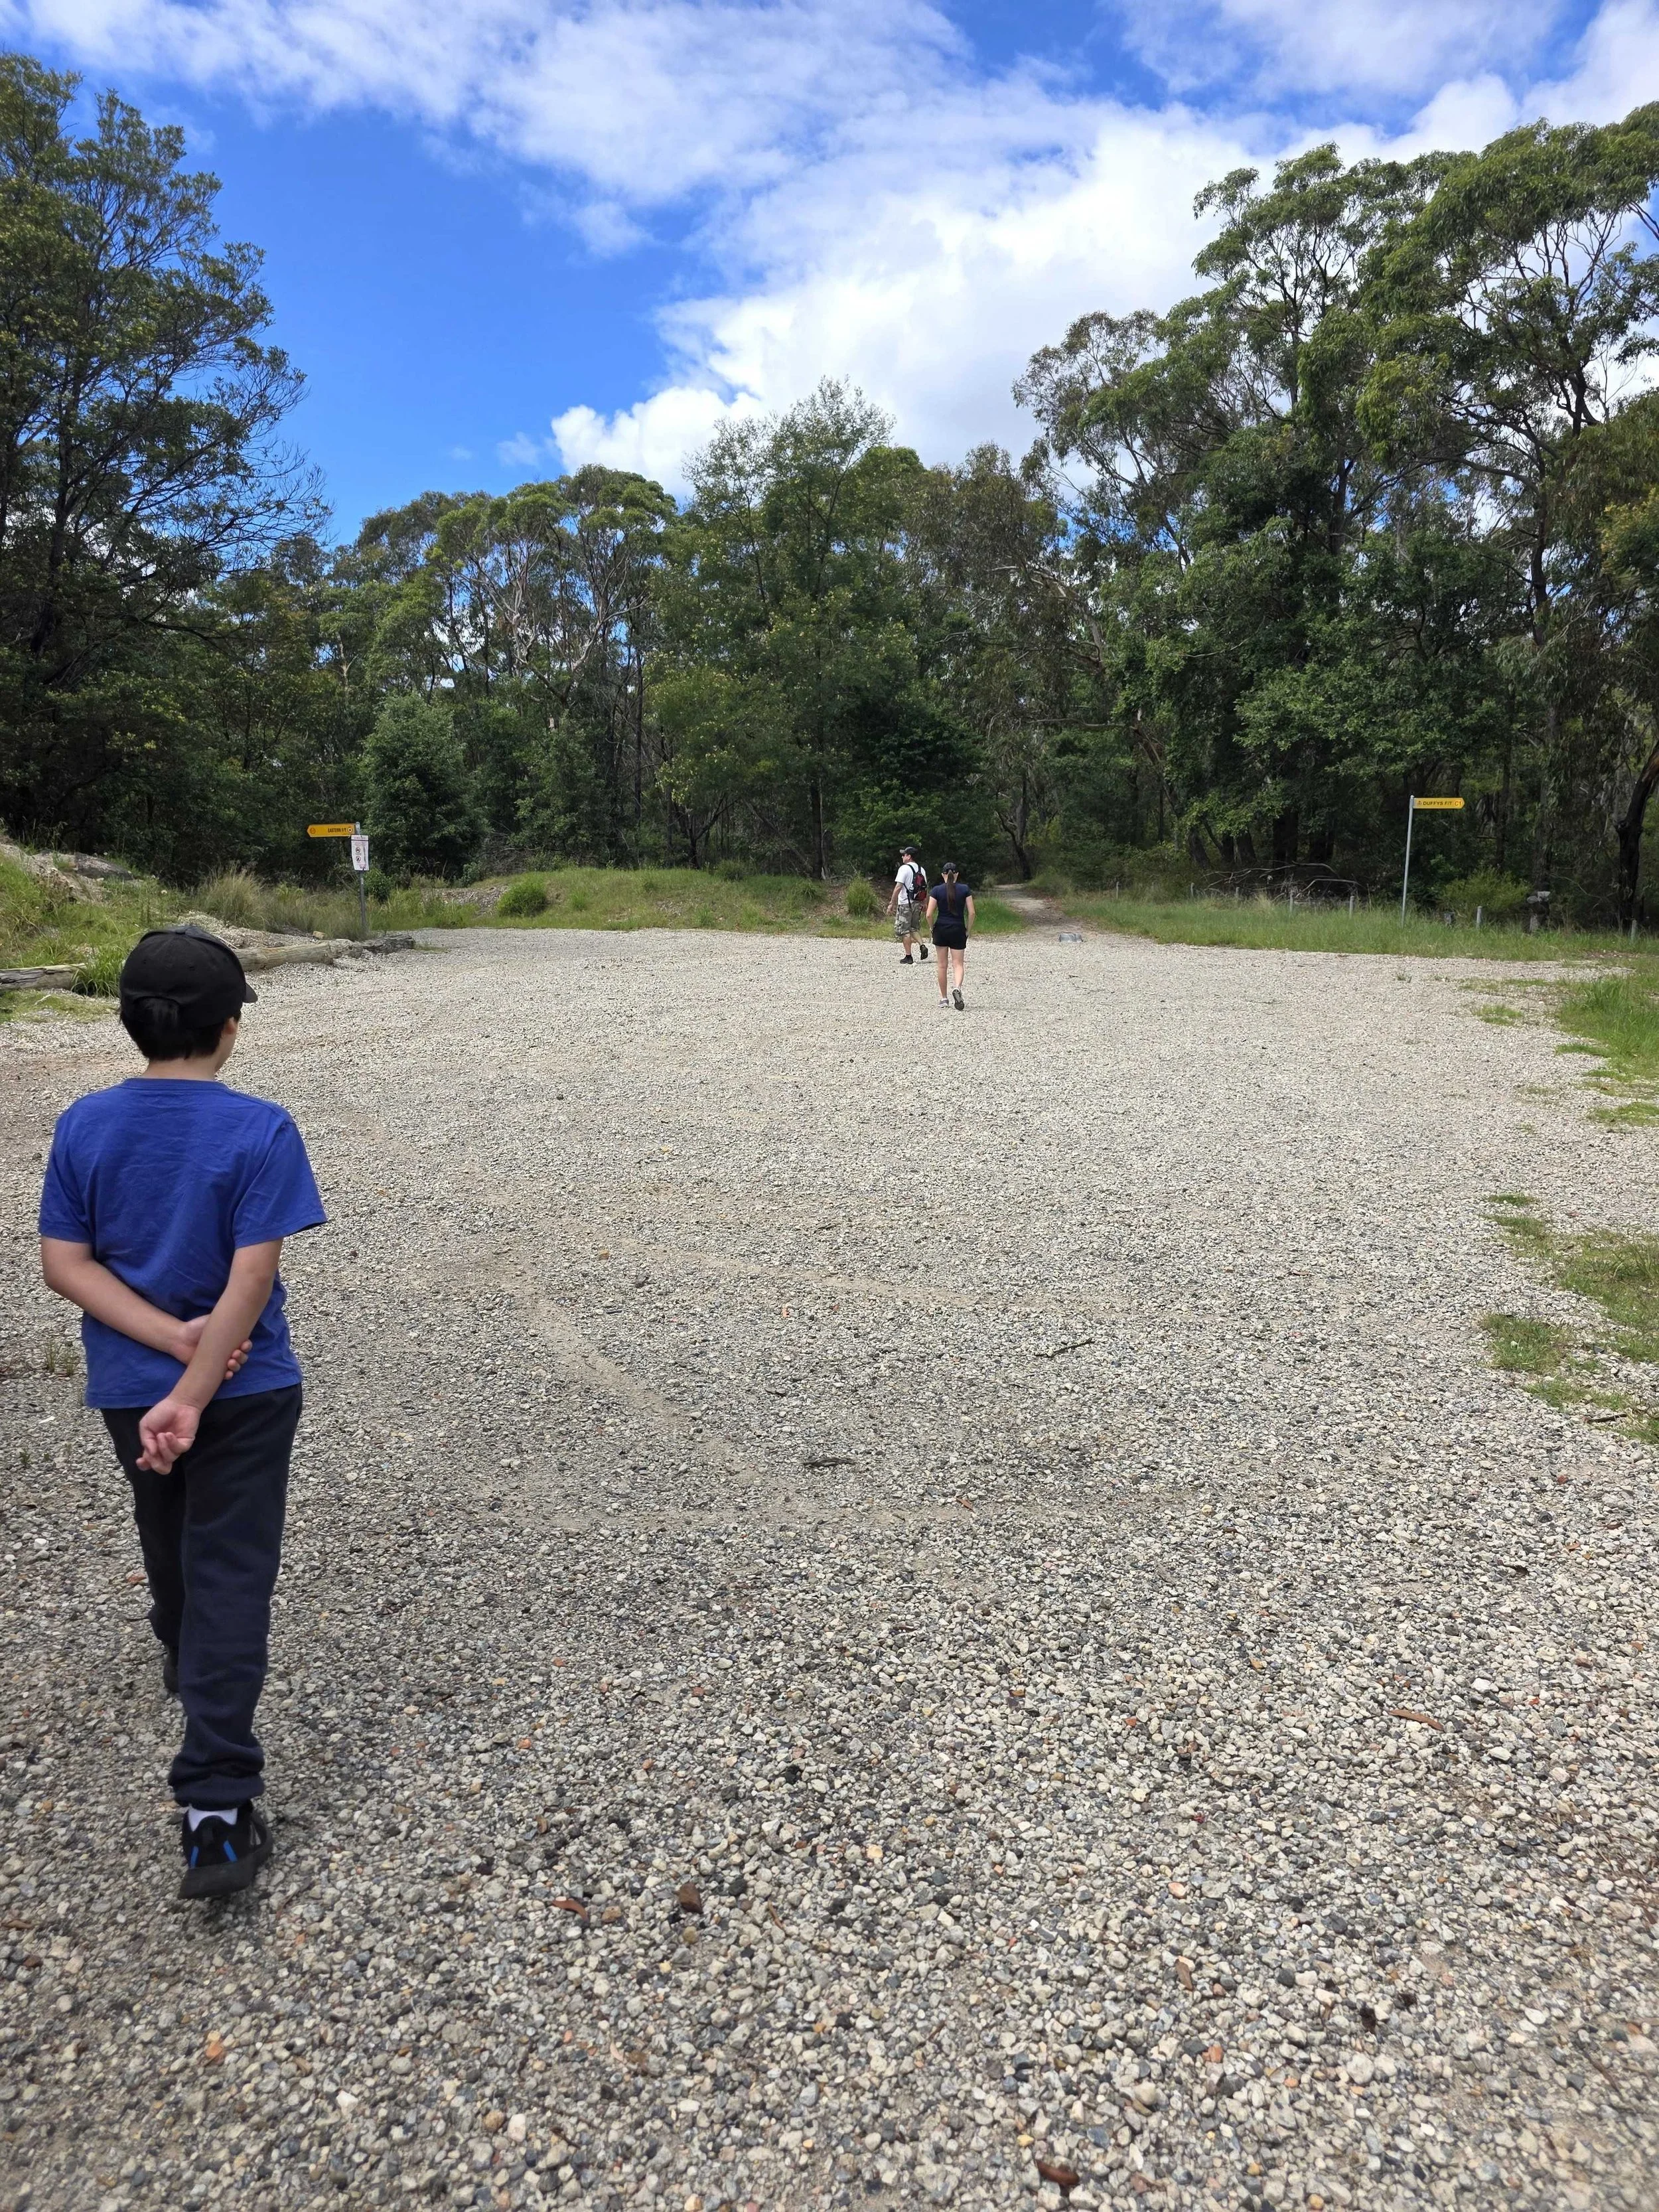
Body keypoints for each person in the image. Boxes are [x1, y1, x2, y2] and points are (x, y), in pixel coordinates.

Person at [38, 923, 326, 1899]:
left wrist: (165, 1349)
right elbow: (252, 1281)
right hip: (243, 1390)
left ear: (130, 1022)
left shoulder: (84, 1125)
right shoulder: (261, 1130)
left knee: (166, 1528)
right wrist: (198, 1379)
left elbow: (64, 1265)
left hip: (133, 1390)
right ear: (230, 1027)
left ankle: (180, 1647)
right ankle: (216, 1808)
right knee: (230, 1568)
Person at [927, 860, 975, 1010]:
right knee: (958, 964)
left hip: (941, 929)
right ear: (957, 875)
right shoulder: (965, 889)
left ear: (943, 875)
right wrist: (968, 930)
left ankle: (944, 998)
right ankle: (957, 988)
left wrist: (932, 929)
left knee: (942, 965)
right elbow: (972, 913)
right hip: (958, 929)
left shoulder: (936, 890)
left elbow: (929, 914)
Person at [885, 844, 930, 964]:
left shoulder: (904, 869)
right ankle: (922, 945)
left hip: (905, 904)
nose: (902, 857)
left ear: (909, 857)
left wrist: (892, 903)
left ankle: (908, 956)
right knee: (914, 928)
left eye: (904, 855)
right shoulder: (922, 870)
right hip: (918, 903)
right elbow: (925, 888)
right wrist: (925, 903)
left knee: (905, 931)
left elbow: (898, 887)